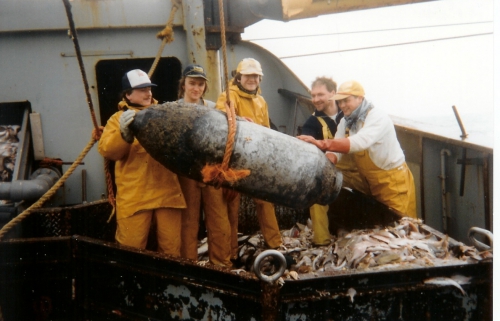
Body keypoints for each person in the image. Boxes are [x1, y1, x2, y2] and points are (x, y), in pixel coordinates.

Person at [98, 69, 186, 255]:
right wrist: (124, 135)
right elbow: (108, 152)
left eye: (149, 88)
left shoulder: (165, 114)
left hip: (167, 193)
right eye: (142, 89)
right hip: (135, 197)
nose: (148, 93)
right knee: (131, 250)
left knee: (171, 251)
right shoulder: (117, 119)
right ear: (127, 94)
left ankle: (168, 284)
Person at [298, 80, 417, 218]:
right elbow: (337, 146)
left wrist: (322, 144)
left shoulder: (377, 116)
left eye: (346, 100)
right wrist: (327, 166)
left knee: (402, 225)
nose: (342, 105)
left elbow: (360, 141)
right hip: (368, 181)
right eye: (340, 101)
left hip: (393, 182)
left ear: (360, 98)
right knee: (384, 224)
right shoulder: (346, 121)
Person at [215, 58, 283, 250]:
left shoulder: (261, 101)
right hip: (235, 159)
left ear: (260, 78)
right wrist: (238, 119)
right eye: (248, 75)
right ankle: (231, 252)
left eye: (255, 76)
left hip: (256, 158)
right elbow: (220, 117)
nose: (252, 79)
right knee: (231, 205)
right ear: (239, 77)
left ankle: (275, 245)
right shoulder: (229, 95)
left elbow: (267, 130)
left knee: (265, 201)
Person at [176, 64, 236, 267]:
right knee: (188, 221)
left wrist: (241, 121)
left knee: (219, 219)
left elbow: (229, 132)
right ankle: (188, 264)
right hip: (186, 173)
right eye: (192, 83)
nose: (196, 88)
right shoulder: (172, 110)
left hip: (211, 171)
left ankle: (222, 264)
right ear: (183, 84)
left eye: (200, 84)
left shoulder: (214, 109)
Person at [301, 77, 343, 246]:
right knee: (316, 195)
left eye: (321, 94)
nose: (316, 99)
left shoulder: (347, 112)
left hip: (355, 168)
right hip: (329, 169)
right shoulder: (311, 123)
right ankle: (322, 241)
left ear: (333, 93)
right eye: (313, 95)